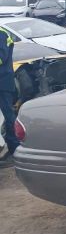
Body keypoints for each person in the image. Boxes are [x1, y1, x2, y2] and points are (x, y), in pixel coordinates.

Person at [0, 25, 19, 158]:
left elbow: (1, 57)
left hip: (3, 82)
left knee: (8, 115)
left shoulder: (1, 33)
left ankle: (14, 148)